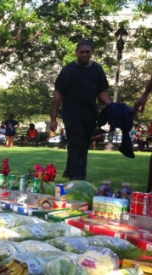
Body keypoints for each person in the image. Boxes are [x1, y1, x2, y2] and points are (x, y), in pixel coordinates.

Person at [50, 40, 112, 180]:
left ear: (91, 53)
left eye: (87, 52)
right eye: (81, 52)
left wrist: (113, 106)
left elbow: (101, 93)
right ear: (76, 52)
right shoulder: (68, 70)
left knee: (83, 145)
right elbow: (58, 94)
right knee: (77, 143)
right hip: (72, 113)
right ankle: (77, 178)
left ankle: (71, 172)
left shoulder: (97, 69)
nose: (84, 54)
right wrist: (53, 119)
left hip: (90, 113)